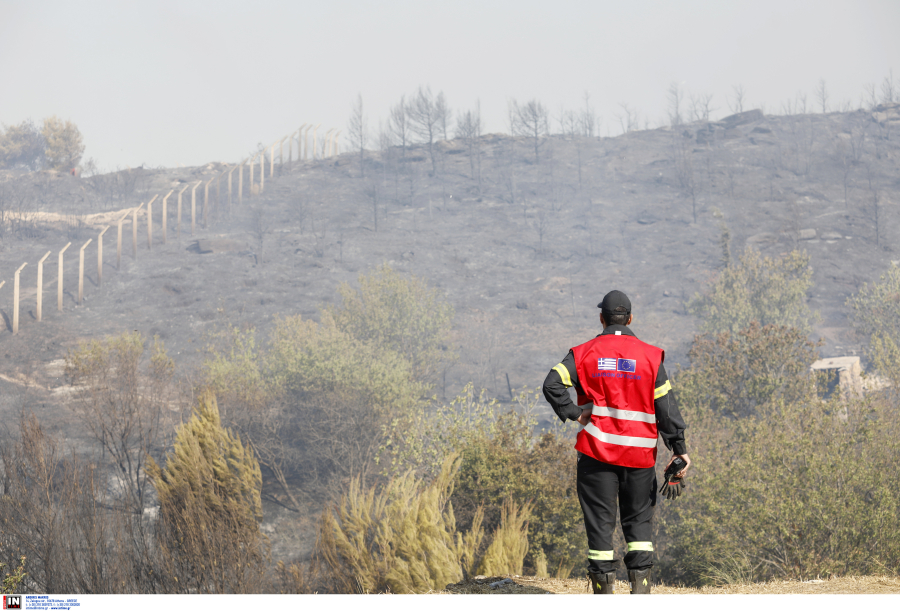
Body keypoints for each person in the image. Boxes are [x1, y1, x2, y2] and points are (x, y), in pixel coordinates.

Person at [541, 290, 689, 594]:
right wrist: (679, 449)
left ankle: (604, 596)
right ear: (631, 318)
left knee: (600, 528)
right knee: (639, 527)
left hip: (596, 458)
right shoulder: (650, 356)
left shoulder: (584, 353)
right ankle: (641, 593)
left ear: (601, 319)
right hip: (640, 460)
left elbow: (552, 384)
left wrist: (574, 413)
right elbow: (666, 407)